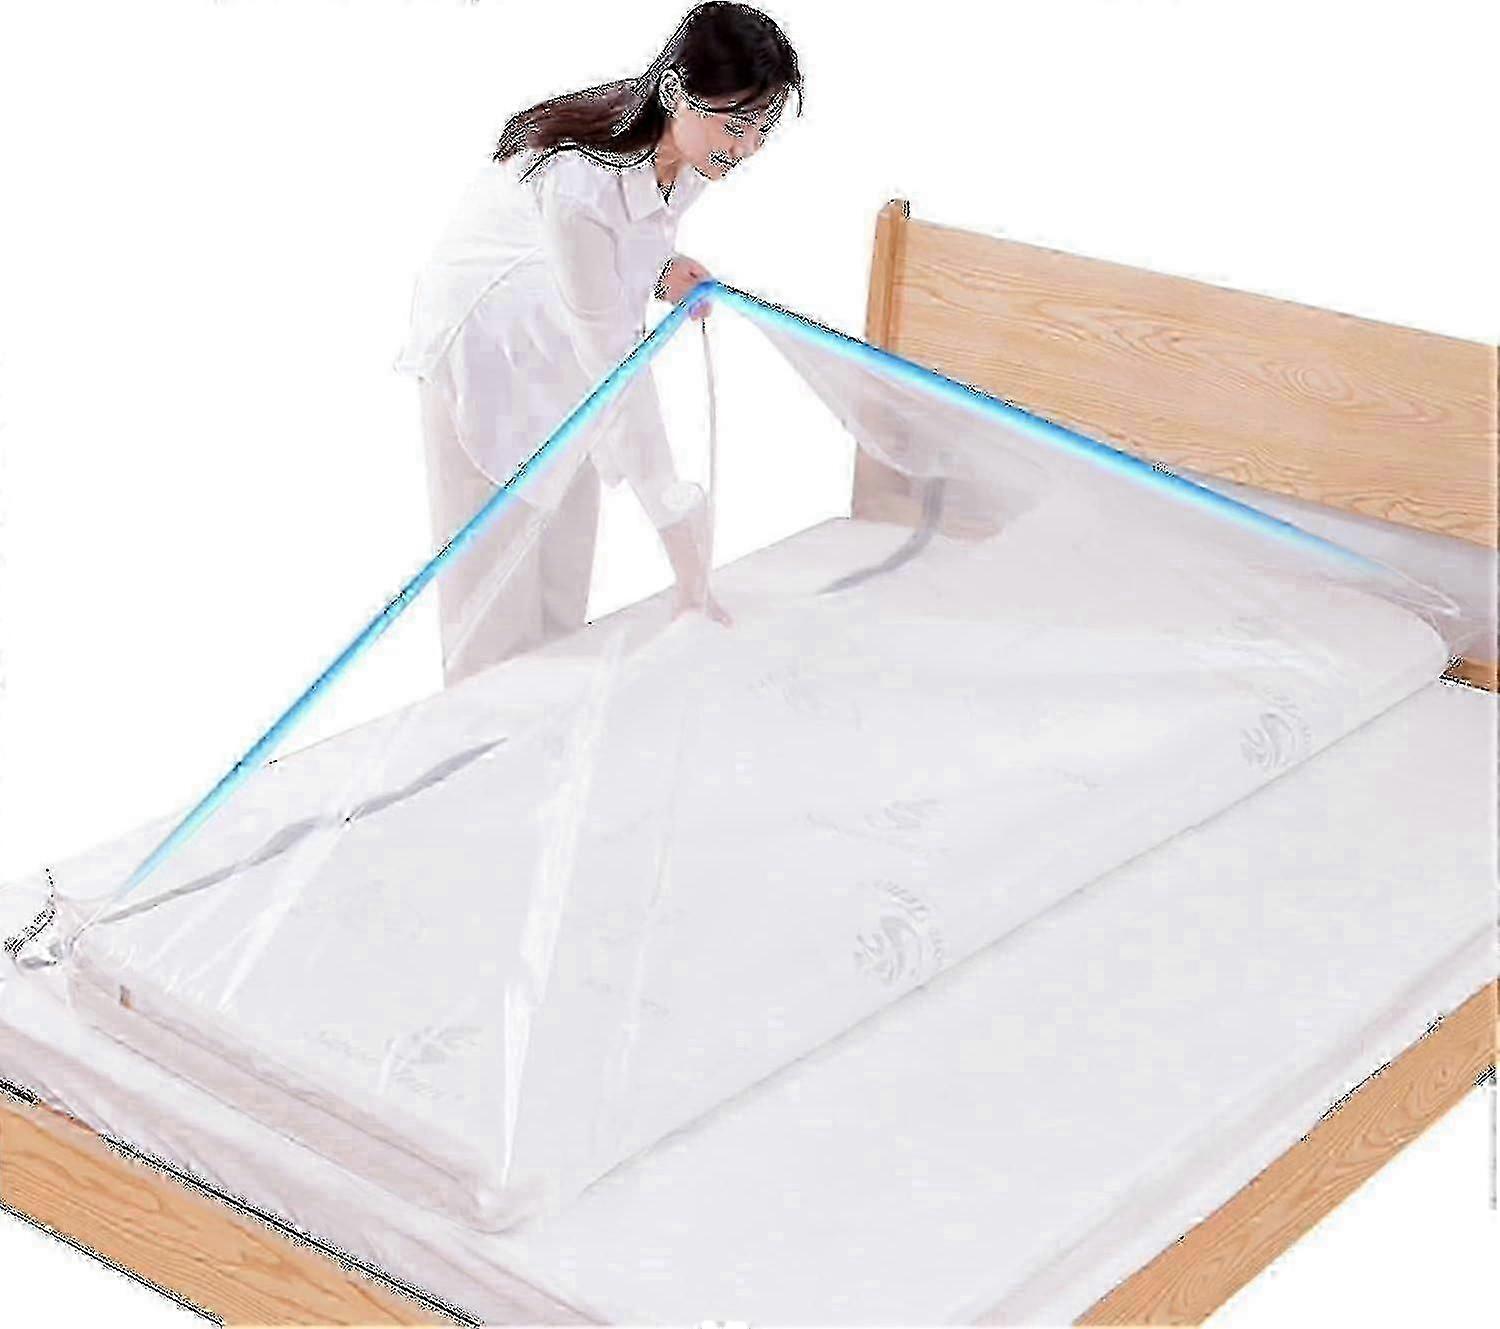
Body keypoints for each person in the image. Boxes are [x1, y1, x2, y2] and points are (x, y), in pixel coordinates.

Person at [396, 3, 802, 685]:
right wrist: (678, 534)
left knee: (561, 594)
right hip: (488, 354)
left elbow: (623, 243)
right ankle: (486, 741)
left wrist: (658, 271)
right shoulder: (579, 181)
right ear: (675, 90)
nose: (747, 148)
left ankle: (551, 727)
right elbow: (615, 362)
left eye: (762, 128)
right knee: (492, 615)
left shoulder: (687, 156)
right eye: (736, 125)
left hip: (562, 345)